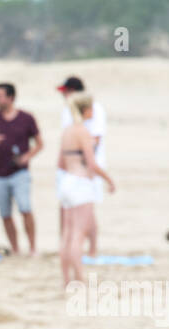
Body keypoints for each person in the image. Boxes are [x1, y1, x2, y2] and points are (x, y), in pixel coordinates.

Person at [0, 83, 42, 255]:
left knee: (25, 208)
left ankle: (33, 248)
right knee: (5, 213)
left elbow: (40, 143)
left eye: (0, 96)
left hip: (20, 172)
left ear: (11, 97)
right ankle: (15, 249)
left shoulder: (26, 118)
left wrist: (27, 156)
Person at [58, 93, 116, 287]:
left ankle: (66, 280)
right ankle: (79, 278)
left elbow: (61, 163)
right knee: (78, 234)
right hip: (80, 184)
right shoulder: (82, 132)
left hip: (66, 182)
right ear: (86, 110)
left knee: (66, 233)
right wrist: (109, 180)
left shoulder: (67, 131)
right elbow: (92, 163)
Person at [57, 76, 108, 255]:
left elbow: (96, 141)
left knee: (85, 212)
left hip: (82, 168)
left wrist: (85, 166)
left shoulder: (94, 110)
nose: (64, 96)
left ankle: (92, 249)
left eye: (66, 92)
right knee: (74, 216)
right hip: (76, 170)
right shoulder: (70, 114)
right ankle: (74, 251)